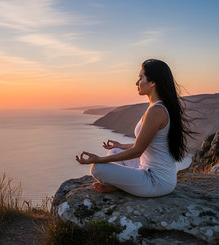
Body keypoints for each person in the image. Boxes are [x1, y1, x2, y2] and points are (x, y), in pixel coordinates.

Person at [75, 59, 193, 197]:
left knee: (97, 169)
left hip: (156, 182)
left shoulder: (156, 111)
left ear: (153, 82)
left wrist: (97, 159)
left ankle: (120, 185)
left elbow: (137, 151)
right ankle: (123, 184)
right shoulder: (157, 107)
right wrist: (121, 145)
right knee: (115, 150)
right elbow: (146, 144)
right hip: (148, 169)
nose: (137, 83)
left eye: (141, 78)